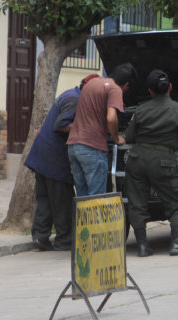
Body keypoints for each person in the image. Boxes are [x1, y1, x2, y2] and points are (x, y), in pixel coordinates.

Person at [124, 69, 178, 257]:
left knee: (137, 203)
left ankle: (142, 245)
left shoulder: (140, 109)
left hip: (137, 159)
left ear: (150, 91)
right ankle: (176, 243)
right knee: (176, 203)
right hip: (163, 161)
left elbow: (129, 137)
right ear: (170, 88)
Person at [25, 74, 99, 251]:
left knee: (45, 200)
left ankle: (40, 237)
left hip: (42, 157)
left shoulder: (70, 95)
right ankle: (64, 240)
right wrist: (88, 125)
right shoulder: (75, 99)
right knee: (62, 201)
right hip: (54, 160)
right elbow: (61, 125)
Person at [67, 63, 137, 196]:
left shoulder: (91, 83)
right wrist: (116, 138)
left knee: (82, 196)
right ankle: (94, 218)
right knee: (95, 197)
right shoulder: (114, 89)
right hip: (92, 148)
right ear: (126, 85)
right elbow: (111, 118)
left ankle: (80, 218)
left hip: (74, 146)